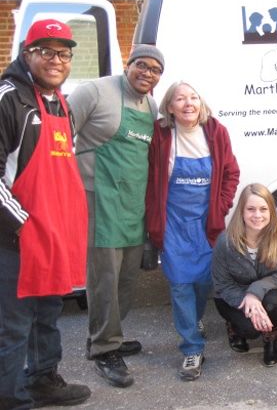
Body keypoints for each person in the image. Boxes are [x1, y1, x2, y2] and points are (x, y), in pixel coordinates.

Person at [0, 19, 91, 408]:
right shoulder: (9, 99)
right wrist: (21, 225)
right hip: (15, 239)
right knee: (13, 325)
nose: (56, 60)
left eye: (64, 53)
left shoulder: (61, 103)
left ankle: (42, 379)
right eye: (46, 51)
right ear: (27, 54)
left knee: (46, 315)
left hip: (53, 236)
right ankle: (10, 397)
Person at [67, 44, 165, 388]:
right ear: (129, 65)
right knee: (104, 278)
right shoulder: (94, 91)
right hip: (100, 198)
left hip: (132, 202)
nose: (147, 73)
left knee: (126, 278)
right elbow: (58, 136)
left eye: (155, 70)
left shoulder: (150, 104)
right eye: (142, 65)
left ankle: (111, 335)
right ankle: (104, 349)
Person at [145, 80, 240, 380]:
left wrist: (222, 206)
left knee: (202, 281)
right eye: (180, 99)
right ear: (169, 107)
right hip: (173, 222)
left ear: (201, 103)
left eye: (193, 98)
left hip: (206, 221)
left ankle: (194, 319)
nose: (188, 104)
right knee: (180, 284)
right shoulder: (160, 135)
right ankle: (191, 349)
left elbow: (231, 173)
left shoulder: (215, 131)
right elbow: (149, 177)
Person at [212, 183, 277, 367]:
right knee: (249, 329)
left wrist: (254, 294)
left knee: (273, 305)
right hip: (231, 292)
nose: (257, 215)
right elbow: (222, 284)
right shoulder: (225, 241)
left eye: (263, 209)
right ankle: (235, 329)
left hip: (267, 287)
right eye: (251, 209)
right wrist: (247, 301)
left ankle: (271, 340)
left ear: (271, 211)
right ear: (241, 211)